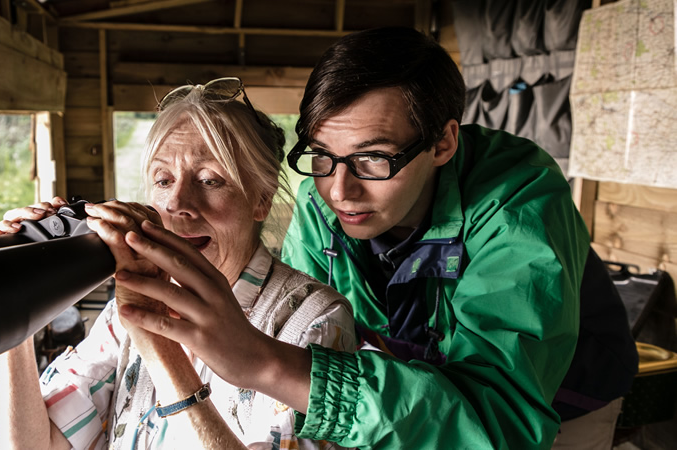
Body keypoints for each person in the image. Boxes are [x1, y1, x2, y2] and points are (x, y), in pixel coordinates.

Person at [111, 28, 639, 449]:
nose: (339, 191)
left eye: (374, 158)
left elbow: (498, 422)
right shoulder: (326, 201)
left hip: (552, 402)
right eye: (322, 155)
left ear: (442, 143)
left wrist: (262, 363)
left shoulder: (518, 200)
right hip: (410, 387)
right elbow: (304, 324)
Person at [0, 78, 357, 450]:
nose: (177, 203)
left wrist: (157, 342)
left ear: (261, 200)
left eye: (210, 180)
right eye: (163, 180)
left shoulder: (316, 324)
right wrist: (15, 305)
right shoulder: (127, 310)